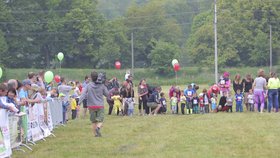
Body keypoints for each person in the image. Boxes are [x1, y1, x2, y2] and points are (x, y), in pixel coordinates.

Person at [78, 71, 109, 137]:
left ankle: (95, 134)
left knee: (93, 121)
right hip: (100, 105)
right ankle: (98, 128)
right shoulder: (101, 85)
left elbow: (83, 94)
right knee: (100, 120)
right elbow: (107, 94)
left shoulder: (88, 86)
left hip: (91, 106)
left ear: (91, 78)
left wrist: (79, 103)